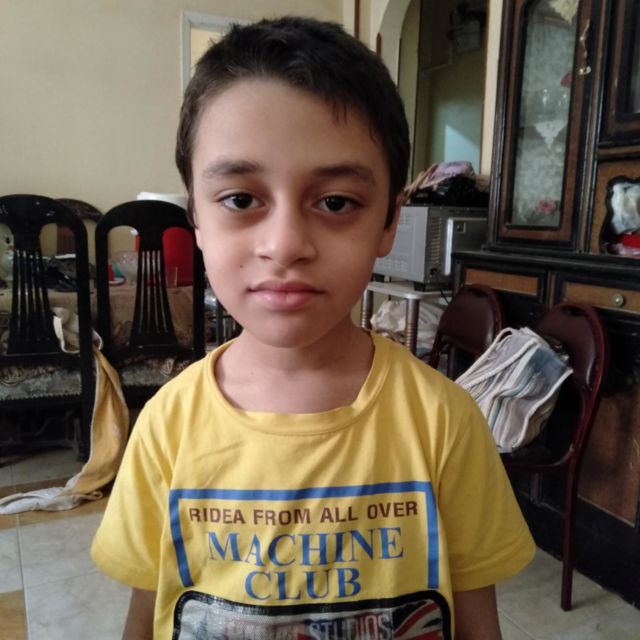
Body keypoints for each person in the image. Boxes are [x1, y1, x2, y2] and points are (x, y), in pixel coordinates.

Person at [91, 16, 535, 639]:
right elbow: (149, 609)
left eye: (335, 202)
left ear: (388, 223)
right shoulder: (167, 425)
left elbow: (476, 622)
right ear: (196, 217)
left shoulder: (445, 423)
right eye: (241, 199)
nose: (285, 245)